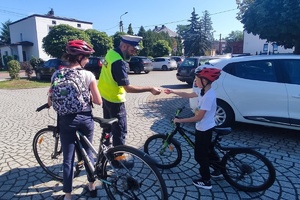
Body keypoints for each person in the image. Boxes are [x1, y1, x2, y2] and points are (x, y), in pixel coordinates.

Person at [47, 40, 102, 200]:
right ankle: (92, 187)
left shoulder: (56, 75)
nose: (87, 60)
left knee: (68, 159)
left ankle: (68, 196)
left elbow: (51, 100)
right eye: (86, 57)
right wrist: (90, 96)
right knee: (88, 154)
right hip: (85, 119)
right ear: (79, 57)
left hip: (66, 121)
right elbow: (98, 101)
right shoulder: (88, 75)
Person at [98, 34, 161, 147]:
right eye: (133, 50)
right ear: (124, 46)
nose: (134, 53)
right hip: (115, 101)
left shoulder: (110, 53)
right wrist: (150, 88)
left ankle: (105, 151)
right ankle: (118, 159)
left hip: (105, 97)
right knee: (119, 131)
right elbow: (128, 88)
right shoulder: (119, 62)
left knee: (107, 128)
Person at [164, 66, 222, 190]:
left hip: (204, 128)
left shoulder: (208, 96)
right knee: (209, 150)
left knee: (200, 156)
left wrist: (180, 120)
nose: (195, 81)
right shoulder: (203, 91)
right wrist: (172, 91)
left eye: (197, 79)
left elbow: (198, 117)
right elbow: (188, 94)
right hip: (206, 126)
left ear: (205, 81)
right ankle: (219, 169)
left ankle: (206, 180)